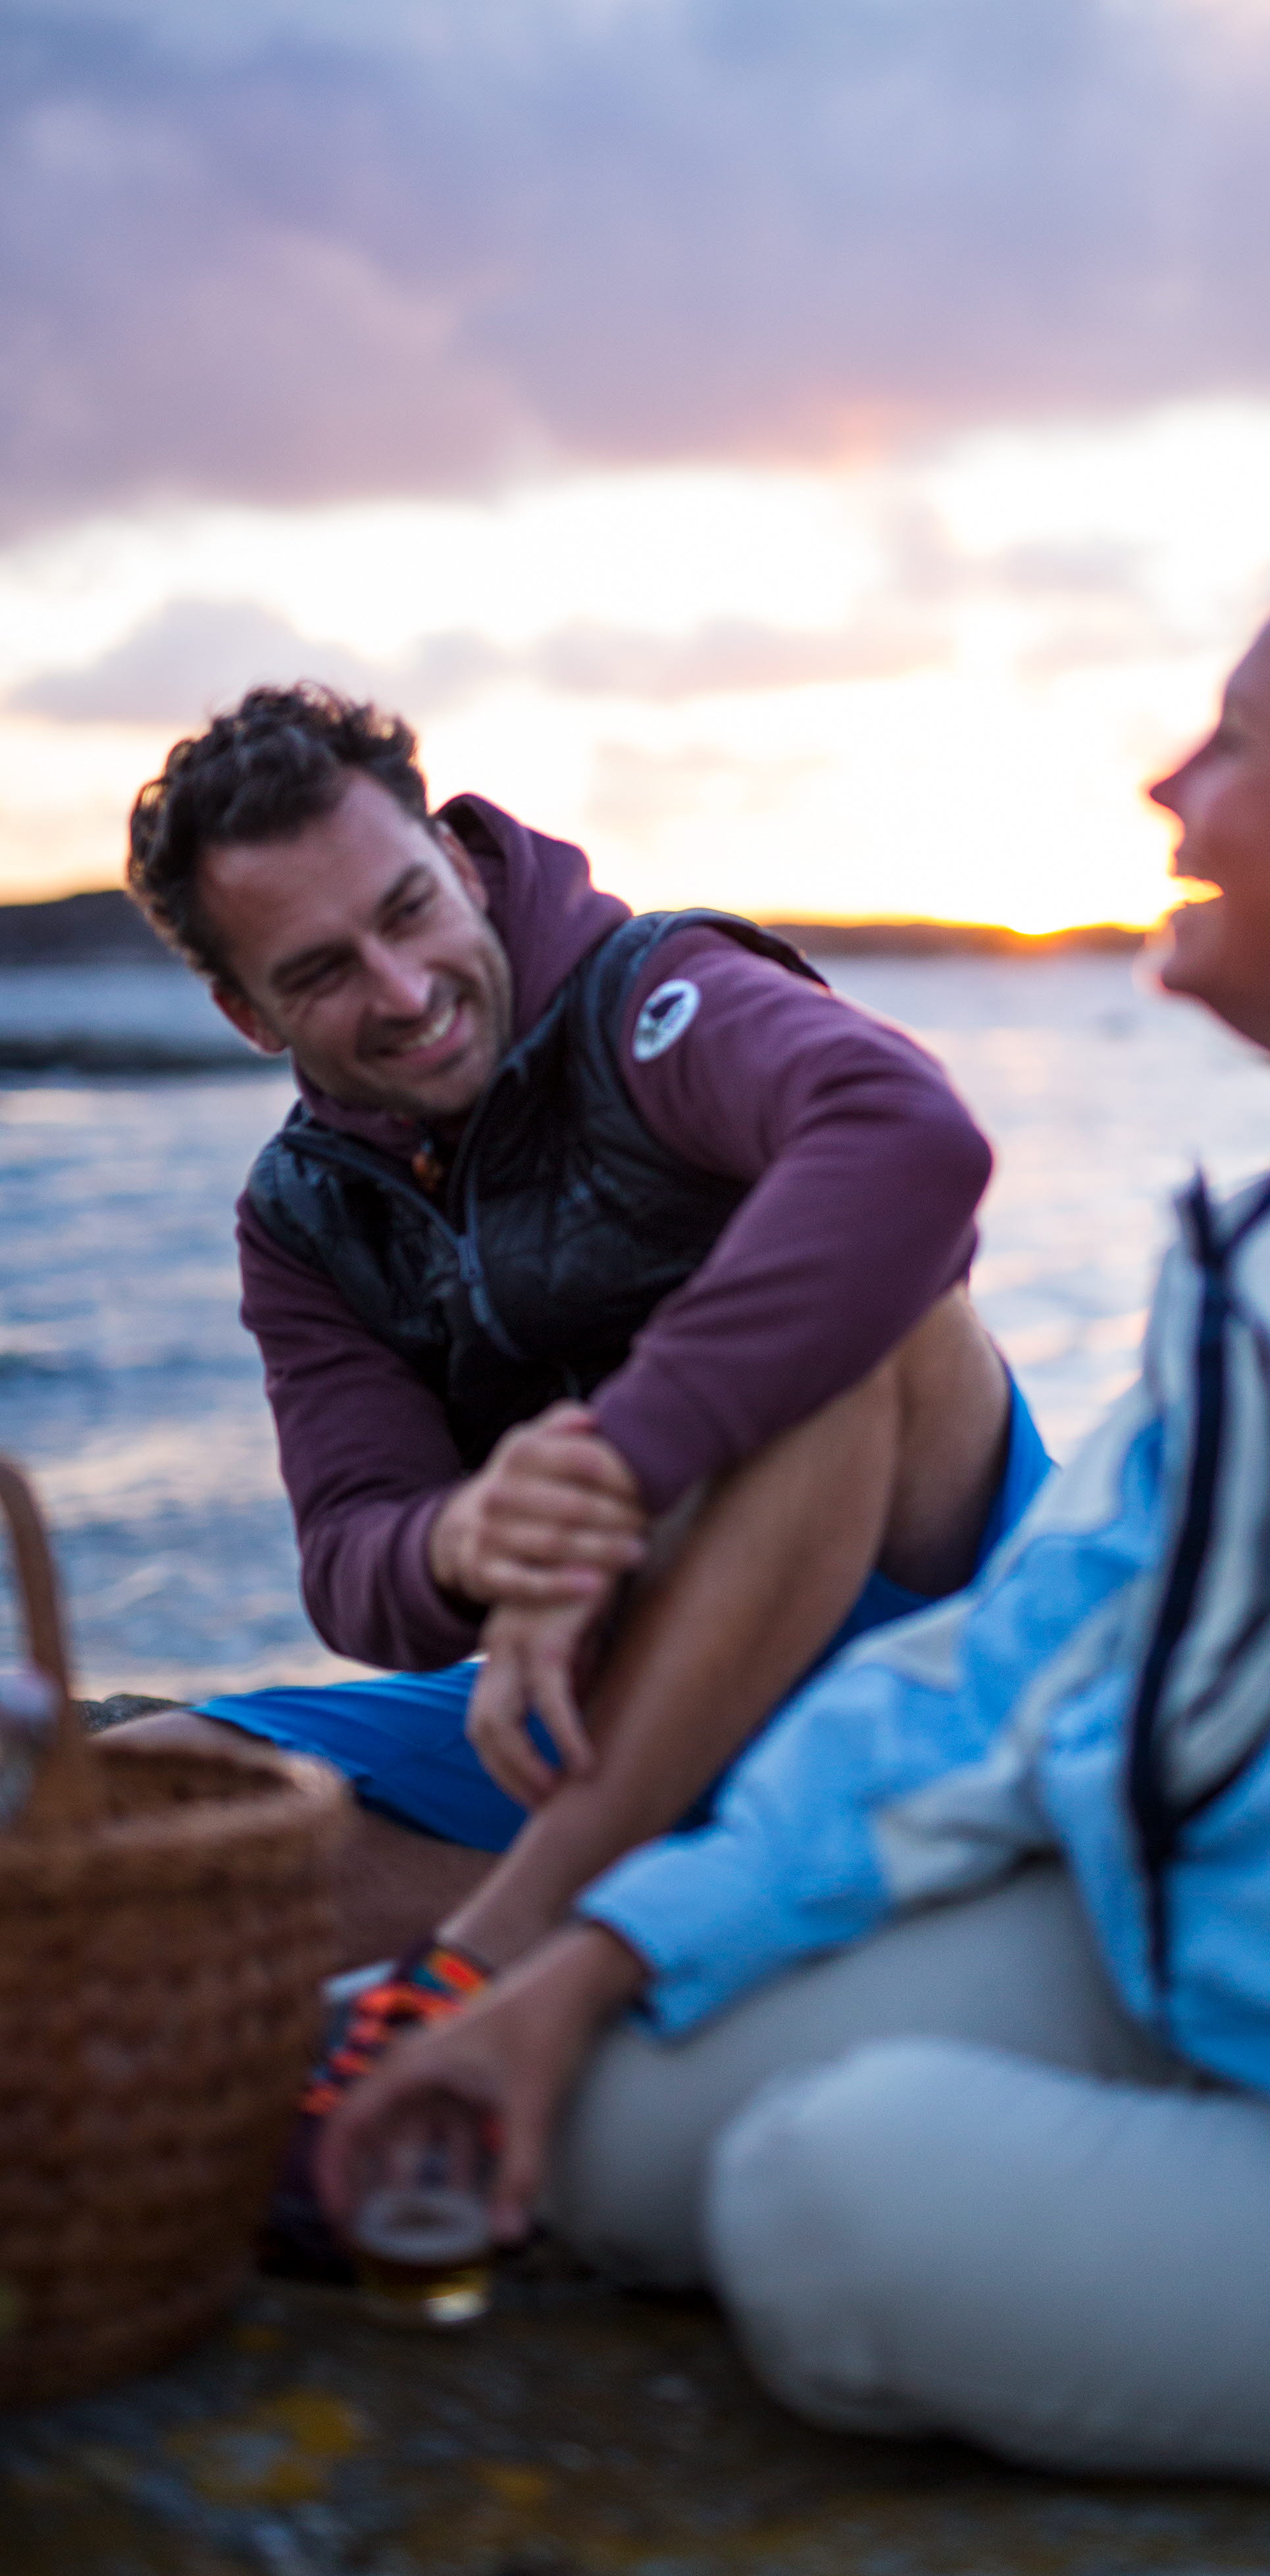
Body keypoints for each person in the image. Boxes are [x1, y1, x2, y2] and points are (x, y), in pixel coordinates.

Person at [323, 516, 1270, 2520]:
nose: (1162, 790)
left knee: (819, 2205)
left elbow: (897, 1136)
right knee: (578, 2117)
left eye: (1231, 741)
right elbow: (1000, 1679)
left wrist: (603, 1480)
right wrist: (591, 1955)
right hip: (1188, 1970)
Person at [117, 689, 1050, 2046]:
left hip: (935, 1628)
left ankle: (507, 1945)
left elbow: (910, 1137)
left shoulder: (655, 999)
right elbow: (357, 1560)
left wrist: (605, 1480)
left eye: (409, 908)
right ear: (245, 1010)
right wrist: (468, 1541)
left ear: (455, 855)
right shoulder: (307, 1212)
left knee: (886, 1311)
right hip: (608, 1694)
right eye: (319, 971)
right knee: (126, 1801)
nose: (404, 991)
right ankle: (657, 1936)